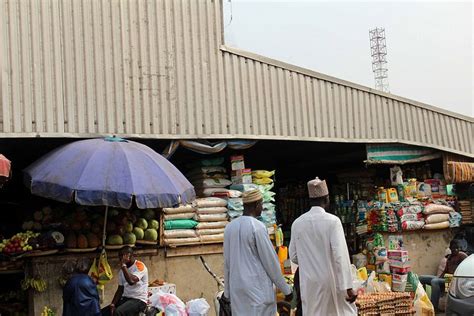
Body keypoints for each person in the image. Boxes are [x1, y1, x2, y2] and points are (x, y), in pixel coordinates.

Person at [289, 177, 357, 316]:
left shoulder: (297, 223)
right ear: (326, 199)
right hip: (330, 281)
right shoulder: (333, 221)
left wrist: (310, 262)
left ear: (310, 200)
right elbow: (341, 256)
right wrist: (348, 287)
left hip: (308, 283)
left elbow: (294, 257)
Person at [223, 189, 293, 316]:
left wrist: (227, 293)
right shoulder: (258, 227)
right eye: (261, 204)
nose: (262, 207)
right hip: (257, 292)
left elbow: (227, 263)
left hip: (238, 292)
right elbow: (271, 263)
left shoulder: (229, 228)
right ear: (256, 205)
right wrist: (286, 290)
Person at [419, 239, 468, 312]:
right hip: (446, 278)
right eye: (453, 248)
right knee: (422, 278)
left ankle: (434, 308)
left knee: (435, 281)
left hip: (453, 279)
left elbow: (467, 267)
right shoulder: (449, 258)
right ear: (450, 248)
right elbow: (445, 271)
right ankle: (423, 303)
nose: (455, 249)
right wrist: (439, 277)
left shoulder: (462, 256)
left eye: (457, 248)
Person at [102, 246, 148, 316]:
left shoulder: (139, 266)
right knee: (103, 312)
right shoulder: (122, 271)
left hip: (139, 300)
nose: (120, 259)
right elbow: (120, 289)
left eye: (122, 256)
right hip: (126, 299)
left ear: (129, 255)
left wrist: (123, 265)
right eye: (120, 256)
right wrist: (113, 304)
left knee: (118, 312)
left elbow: (131, 281)